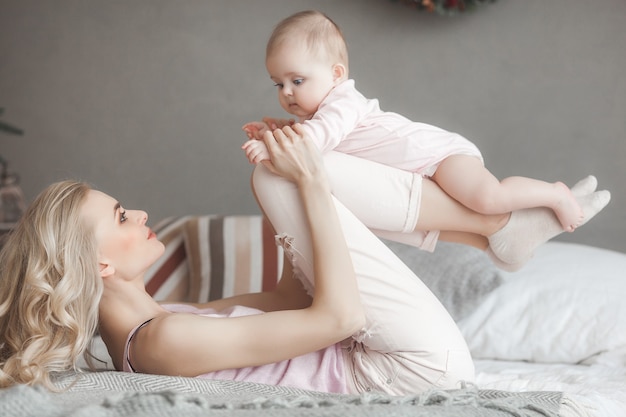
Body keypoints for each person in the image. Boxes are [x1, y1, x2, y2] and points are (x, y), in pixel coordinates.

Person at [0, 125, 609, 394]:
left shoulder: (166, 322)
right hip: (408, 370)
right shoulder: (163, 342)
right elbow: (338, 317)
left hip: (387, 353)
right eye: (118, 217)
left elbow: (295, 300)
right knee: (279, 177)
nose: (136, 214)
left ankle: (491, 231)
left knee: (280, 175)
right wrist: (310, 186)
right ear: (100, 264)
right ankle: (493, 225)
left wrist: (300, 216)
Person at [243, 10, 586, 264]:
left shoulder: (341, 102)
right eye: (279, 83)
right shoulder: (321, 116)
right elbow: (316, 135)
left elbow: (319, 137)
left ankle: (554, 194)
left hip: (440, 156)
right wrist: (274, 132)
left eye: (297, 81)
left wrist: (272, 149)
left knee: (487, 197)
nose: (287, 93)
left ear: (336, 74)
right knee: (418, 224)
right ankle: (497, 239)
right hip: (418, 171)